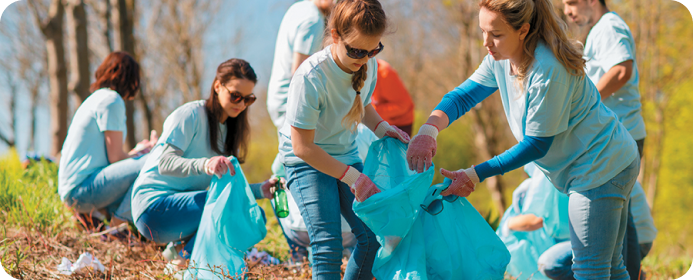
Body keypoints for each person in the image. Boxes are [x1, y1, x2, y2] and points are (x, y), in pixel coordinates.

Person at [406, 0, 640, 279]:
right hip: (607, 160)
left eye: (496, 34)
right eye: (483, 31)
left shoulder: (548, 69)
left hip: (599, 168)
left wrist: (474, 174)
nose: (486, 43)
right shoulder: (501, 59)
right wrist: (429, 129)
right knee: (611, 269)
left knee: (590, 270)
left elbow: (536, 144)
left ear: (523, 30)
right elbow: (463, 96)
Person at [278, 0, 410, 278]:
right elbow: (302, 147)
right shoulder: (310, 78)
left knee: (371, 237)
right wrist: (353, 177)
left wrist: (384, 127)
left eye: (374, 50)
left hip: (345, 156)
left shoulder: (368, 65)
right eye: (356, 51)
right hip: (305, 163)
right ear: (335, 35)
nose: (364, 58)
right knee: (327, 242)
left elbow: (362, 106)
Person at [131, 59, 276, 268]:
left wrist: (260, 190)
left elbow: (229, 190)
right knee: (236, 211)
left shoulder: (228, 132)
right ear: (217, 86)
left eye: (248, 99)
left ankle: (177, 253)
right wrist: (205, 164)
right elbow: (164, 162)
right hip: (153, 209)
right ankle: (182, 260)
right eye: (235, 95)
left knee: (254, 214)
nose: (241, 104)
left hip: (179, 212)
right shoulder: (190, 115)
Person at [563, 1, 649, 277]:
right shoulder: (600, 29)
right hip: (618, 136)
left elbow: (621, 70)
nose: (567, 10)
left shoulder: (610, 26)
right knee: (622, 216)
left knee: (623, 217)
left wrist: (585, 105)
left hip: (623, 136)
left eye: (571, 2)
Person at [265, 0, 339, 264]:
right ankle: (300, 245)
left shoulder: (300, 8)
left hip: (279, 99)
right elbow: (302, 73)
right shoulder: (311, 20)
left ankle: (298, 245)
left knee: (284, 165)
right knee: (298, 163)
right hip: (291, 103)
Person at [58, 51, 156, 238]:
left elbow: (108, 156)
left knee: (145, 161)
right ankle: (117, 226)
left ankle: (96, 217)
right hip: (81, 190)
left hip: (74, 189)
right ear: (130, 78)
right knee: (153, 161)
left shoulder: (96, 99)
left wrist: (136, 152)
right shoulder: (112, 100)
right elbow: (115, 158)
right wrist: (145, 156)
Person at [371, 59, 415, 136]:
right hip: (381, 122)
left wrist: (373, 111)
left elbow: (402, 105)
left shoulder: (385, 73)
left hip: (400, 125)